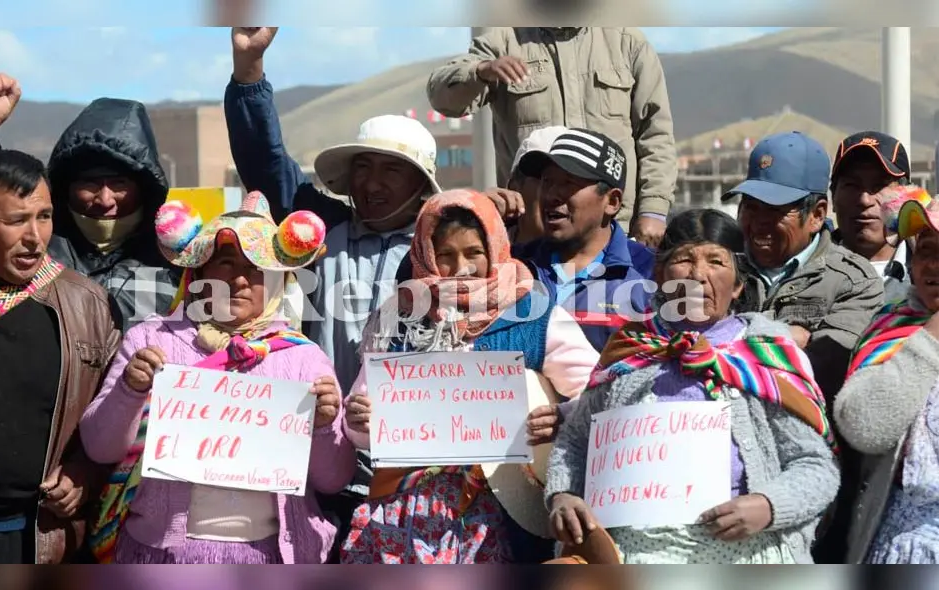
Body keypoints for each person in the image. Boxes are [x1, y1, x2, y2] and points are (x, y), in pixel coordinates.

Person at [224, 25, 442, 549]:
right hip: (313, 458)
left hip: (414, 469)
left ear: (421, 184)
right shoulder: (316, 235)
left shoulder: (449, 251)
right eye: (363, 166)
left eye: (392, 169)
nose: (372, 182)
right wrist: (249, 74)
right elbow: (267, 164)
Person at [544, 208, 840, 564]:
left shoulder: (765, 356)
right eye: (683, 260)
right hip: (634, 557)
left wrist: (768, 505)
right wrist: (562, 495)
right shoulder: (628, 352)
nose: (698, 275)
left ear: (739, 284)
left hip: (747, 555)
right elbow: (575, 442)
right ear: (659, 274)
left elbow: (816, 465)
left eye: (716, 261)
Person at [79, 192, 355, 564]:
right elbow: (100, 447)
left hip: (271, 559)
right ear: (200, 273)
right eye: (226, 263)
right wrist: (131, 389)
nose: (239, 279)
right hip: (165, 557)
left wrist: (323, 425)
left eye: (258, 269)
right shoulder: (151, 340)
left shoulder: (304, 360)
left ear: (279, 281)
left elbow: (333, 479)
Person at [340, 189, 599, 563]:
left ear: (494, 248)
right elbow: (363, 420)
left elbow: (598, 392)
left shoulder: (533, 312)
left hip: (504, 514)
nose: (460, 267)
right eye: (445, 255)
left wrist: (561, 418)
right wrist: (359, 419)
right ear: (426, 254)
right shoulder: (399, 317)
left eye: (473, 253)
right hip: (409, 514)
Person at [0, 150, 120, 563]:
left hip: (34, 538)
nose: (35, 237)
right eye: (16, 221)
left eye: (44, 216)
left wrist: (85, 473)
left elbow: (110, 417)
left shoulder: (88, 306)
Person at [722, 132, 883, 563]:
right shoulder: (717, 264)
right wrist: (785, 339)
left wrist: (727, 343)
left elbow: (824, 370)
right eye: (750, 207)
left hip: (811, 478)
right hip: (723, 468)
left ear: (818, 214)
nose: (757, 222)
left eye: (776, 210)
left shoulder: (855, 279)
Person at [0, 74, 180, 331]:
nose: (105, 199)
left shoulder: (175, 261)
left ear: (144, 187)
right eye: (90, 183)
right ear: (66, 188)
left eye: (119, 184)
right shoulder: (28, 248)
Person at [426, 27, 677, 246]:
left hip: (614, 227)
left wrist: (653, 210)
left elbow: (655, 137)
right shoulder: (505, 42)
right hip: (535, 231)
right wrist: (481, 71)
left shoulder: (628, 43)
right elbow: (441, 97)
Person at [835, 184, 939, 563]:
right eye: (925, 251)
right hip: (903, 550)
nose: (934, 264)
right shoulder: (892, 328)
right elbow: (862, 425)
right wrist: (931, 338)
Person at [513, 128, 655, 352]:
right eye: (547, 182)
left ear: (612, 202)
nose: (552, 195)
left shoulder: (649, 272)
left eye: (569, 184)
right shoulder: (514, 265)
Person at [830, 131, 912, 301]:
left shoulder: (928, 271)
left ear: (906, 197)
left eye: (880, 186)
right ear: (833, 196)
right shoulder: (804, 271)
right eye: (852, 185)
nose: (865, 200)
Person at [486, 125, 568, 244]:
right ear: (515, 188)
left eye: (569, 182)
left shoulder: (601, 256)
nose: (557, 193)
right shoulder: (486, 250)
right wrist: (473, 218)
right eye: (546, 180)